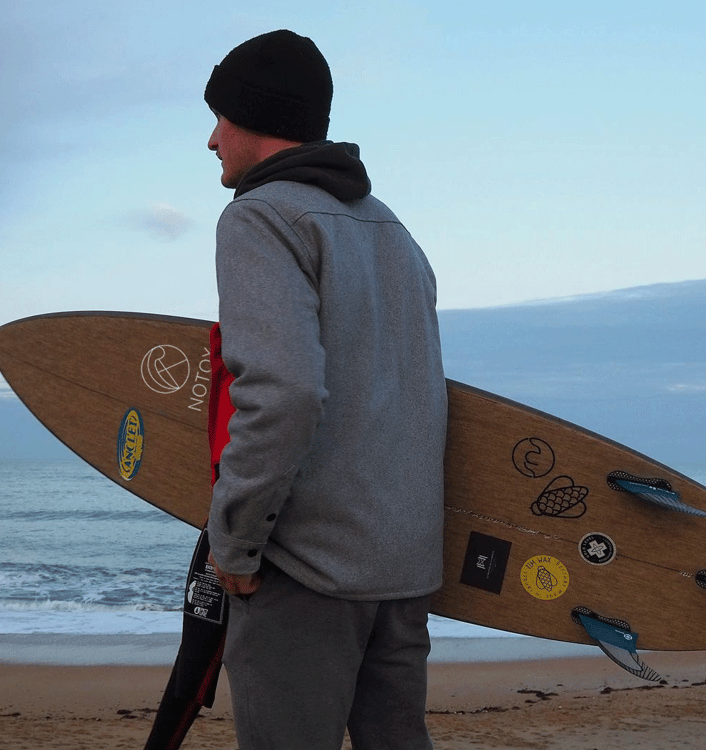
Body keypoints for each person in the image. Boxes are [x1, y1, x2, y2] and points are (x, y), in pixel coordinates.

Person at [204, 29, 447, 750]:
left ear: (254, 116)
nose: (211, 140)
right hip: (401, 571)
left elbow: (283, 392)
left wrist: (236, 544)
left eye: (220, 118)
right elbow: (415, 397)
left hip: (306, 572)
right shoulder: (394, 232)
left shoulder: (261, 217)